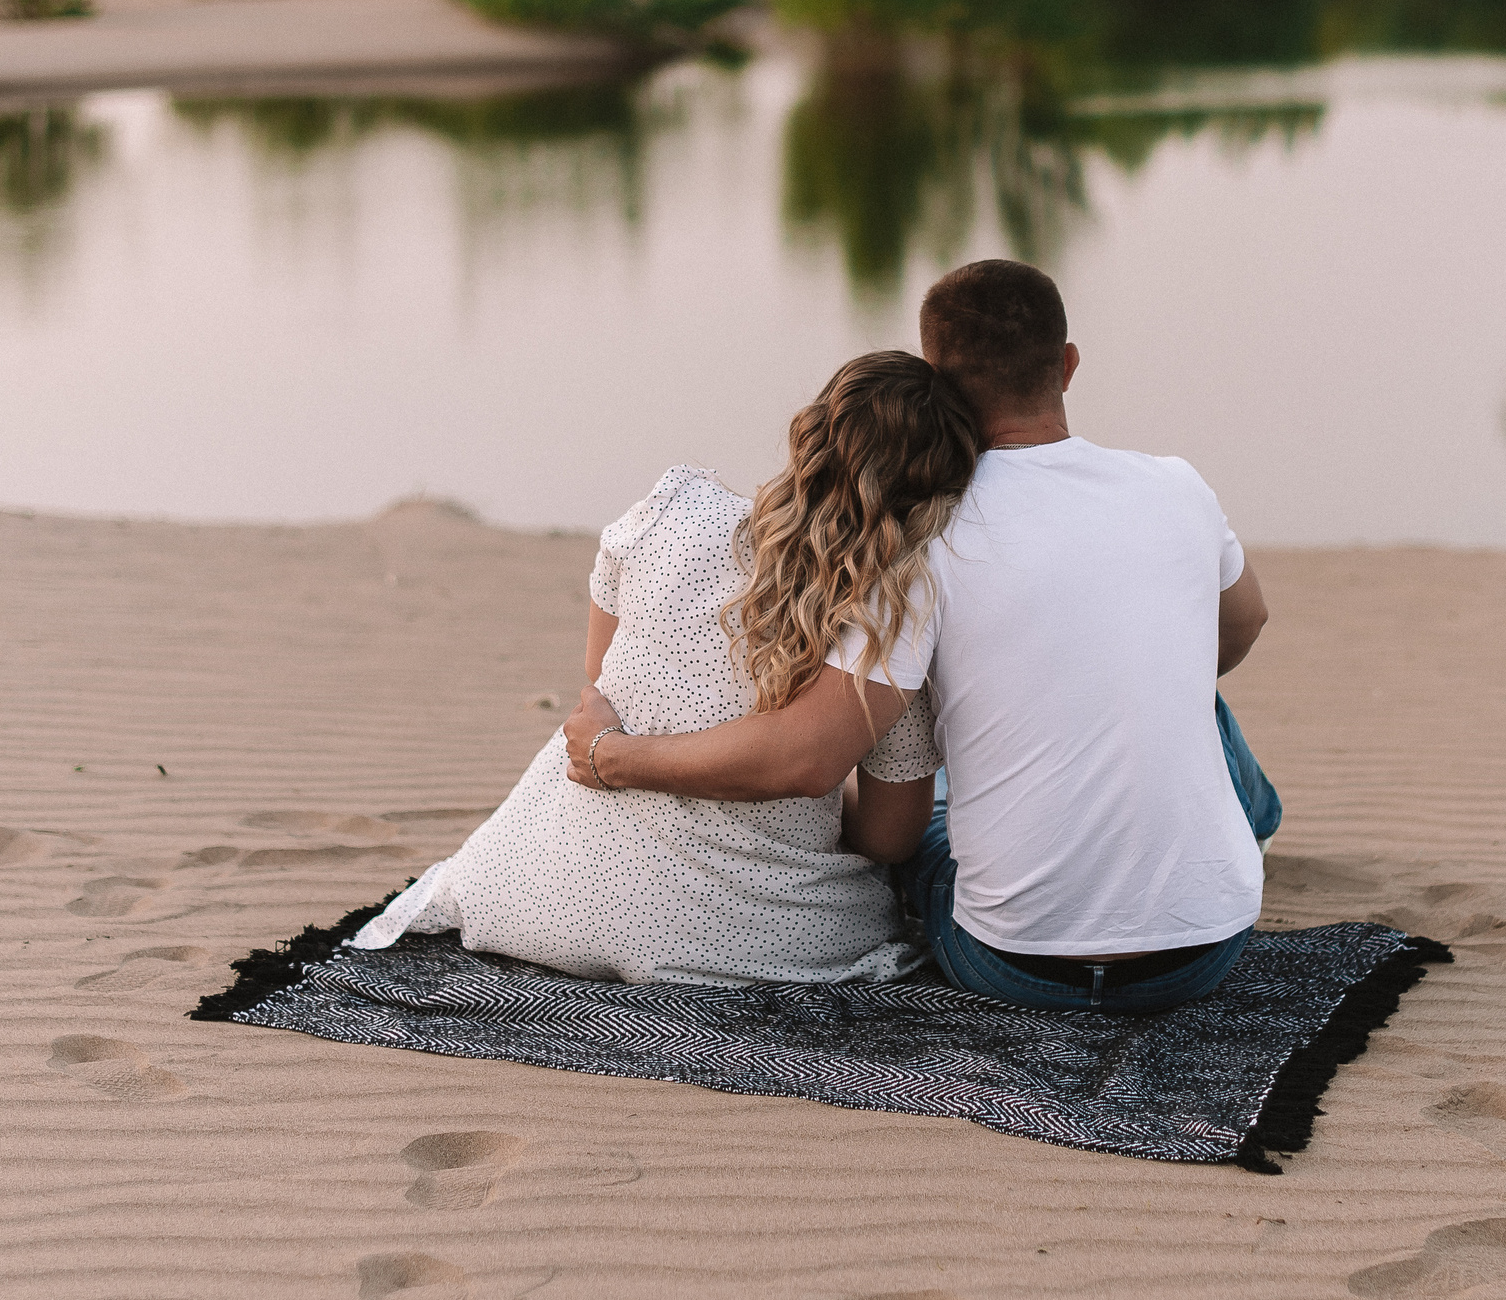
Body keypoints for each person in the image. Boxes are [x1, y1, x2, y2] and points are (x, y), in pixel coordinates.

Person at [566, 259, 1281, 1013]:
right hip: (1205, 951)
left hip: (1013, 961)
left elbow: (809, 755)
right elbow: (1242, 625)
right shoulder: (1177, 486)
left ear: (931, 378)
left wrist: (615, 755)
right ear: (1067, 366)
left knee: (926, 797)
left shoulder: (922, 533)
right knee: (1187, 691)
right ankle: (1247, 825)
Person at [350, 351, 975, 985]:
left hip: (532, 891)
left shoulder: (673, 508)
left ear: (810, 430)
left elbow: (604, 690)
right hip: (740, 938)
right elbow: (889, 837)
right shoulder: (893, 609)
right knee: (933, 810)